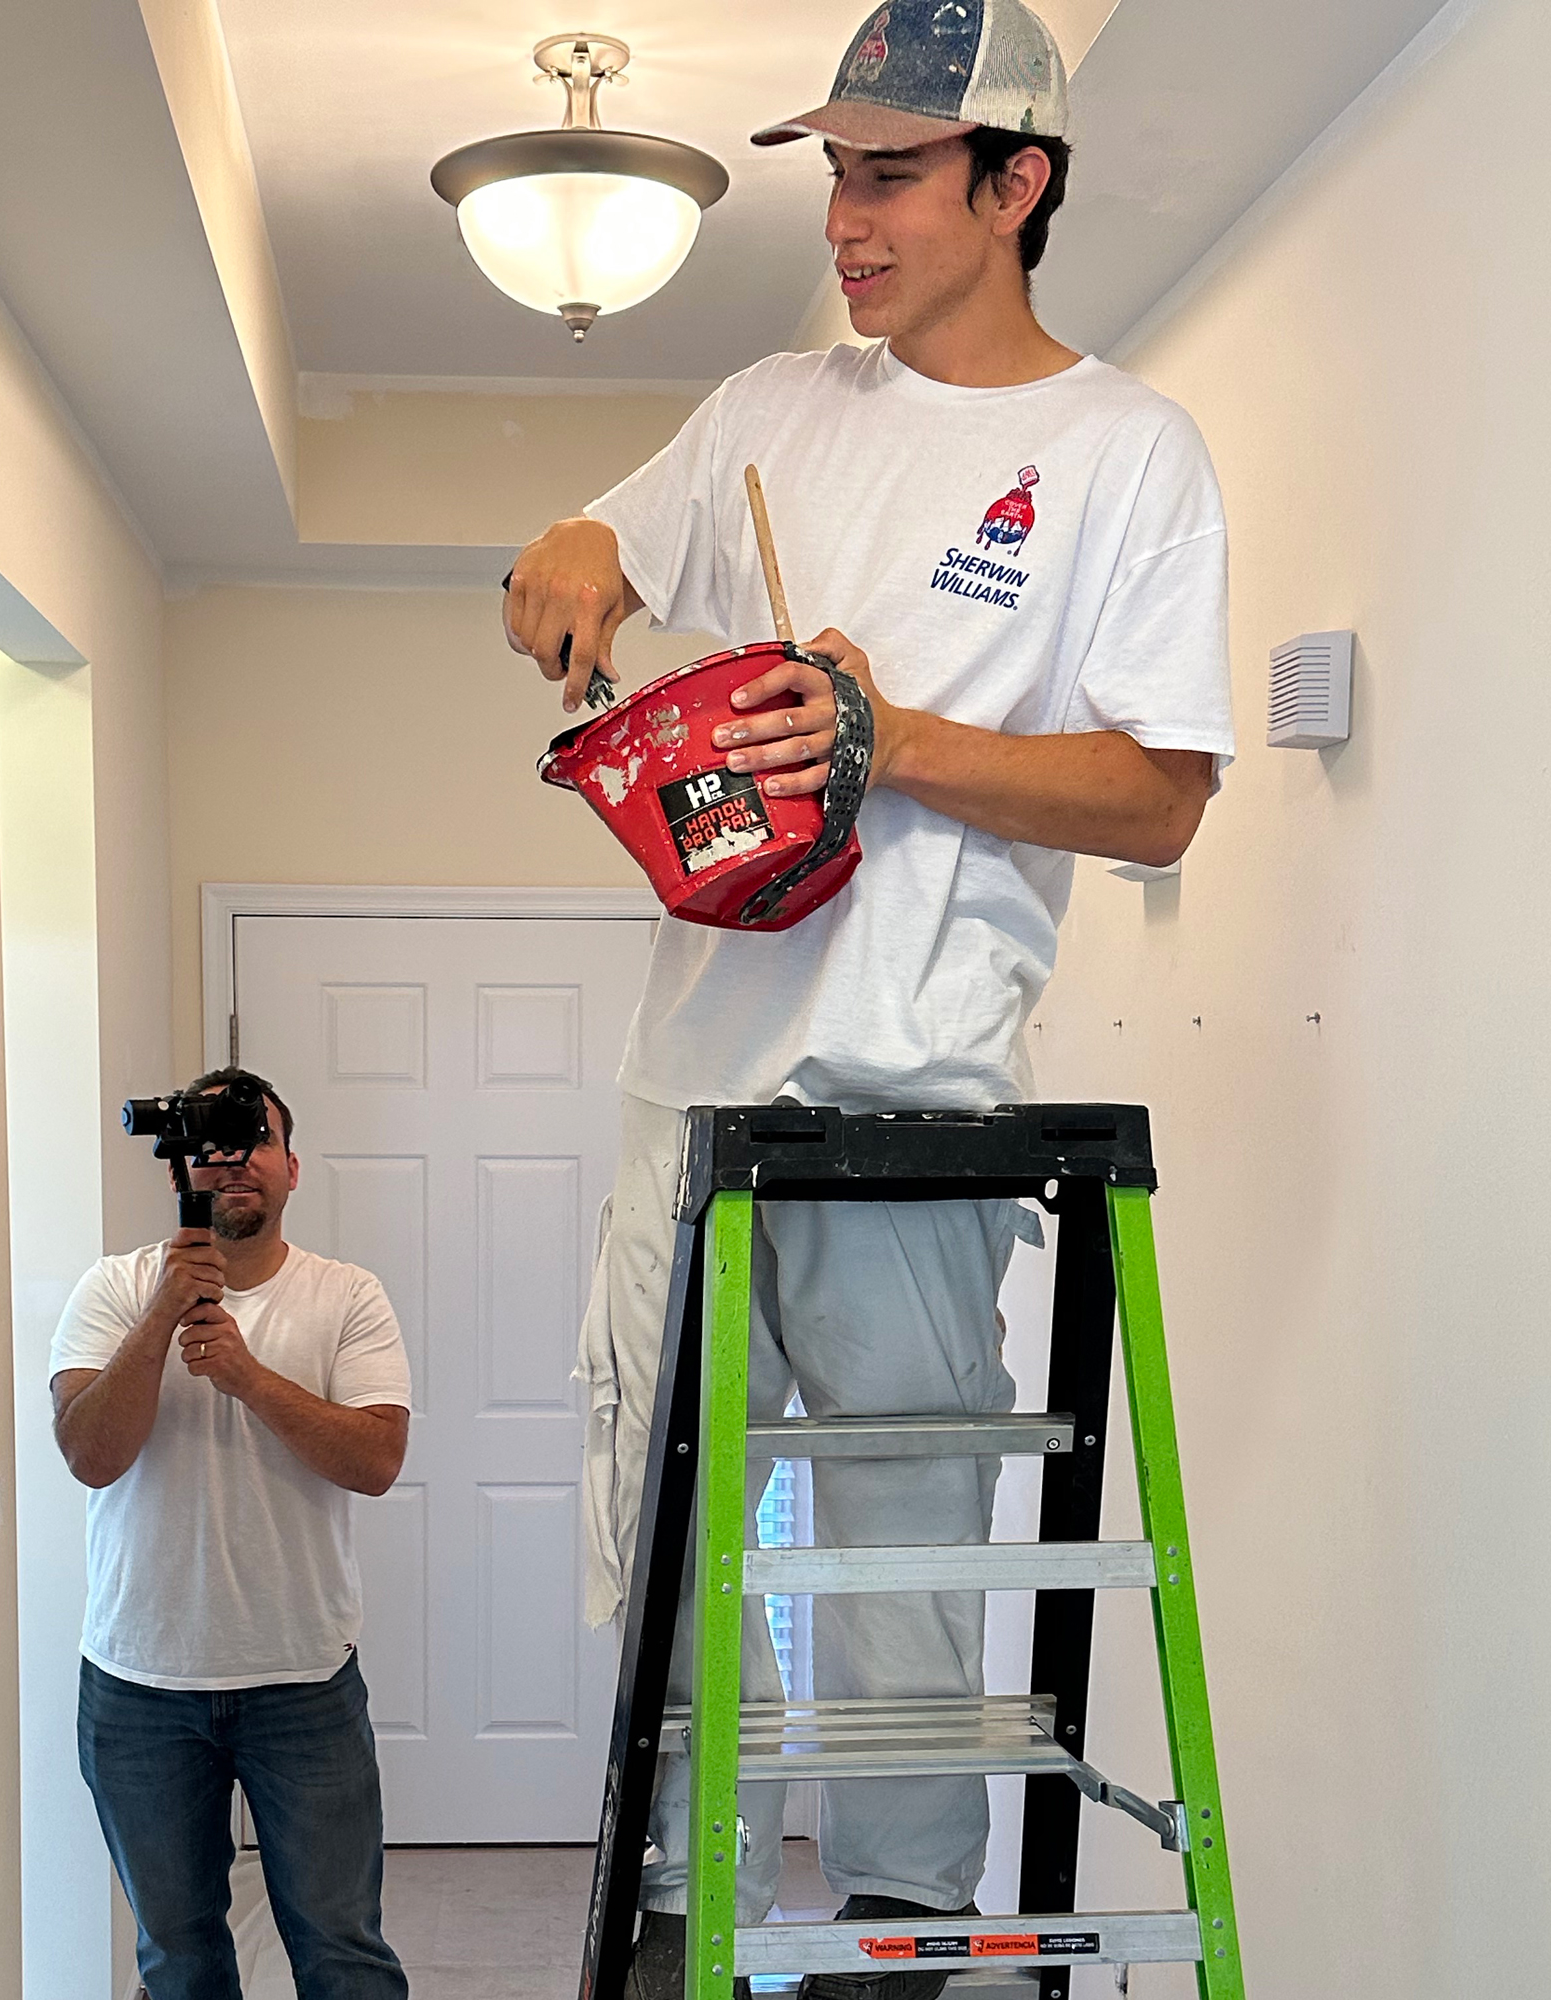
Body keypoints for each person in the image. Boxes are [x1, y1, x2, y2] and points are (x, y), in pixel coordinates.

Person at [503, 4, 1236, 1997]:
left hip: (918, 1106)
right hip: (696, 1080)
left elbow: (1161, 798)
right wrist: (567, 555)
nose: (843, 212)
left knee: (907, 1554)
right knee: (666, 1557)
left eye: (892, 172)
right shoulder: (763, 408)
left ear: (1018, 186)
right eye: (833, 168)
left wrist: (892, 739)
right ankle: (675, 1904)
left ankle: (917, 1932)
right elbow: (595, 547)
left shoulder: (1120, 456)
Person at [49, 1067, 411, 2000]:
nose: (234, 1159)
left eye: (255, 1137)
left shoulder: (347, 1296)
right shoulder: (113, 1288)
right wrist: (166, 1308)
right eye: (213, 1140)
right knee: (179, 1958)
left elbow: (376, 1461)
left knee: (341, 1951)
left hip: (303, 1679)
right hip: (140, 1687)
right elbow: (89, 1454)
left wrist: (248, 1376)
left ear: (292, 1166)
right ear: (177, 1163)